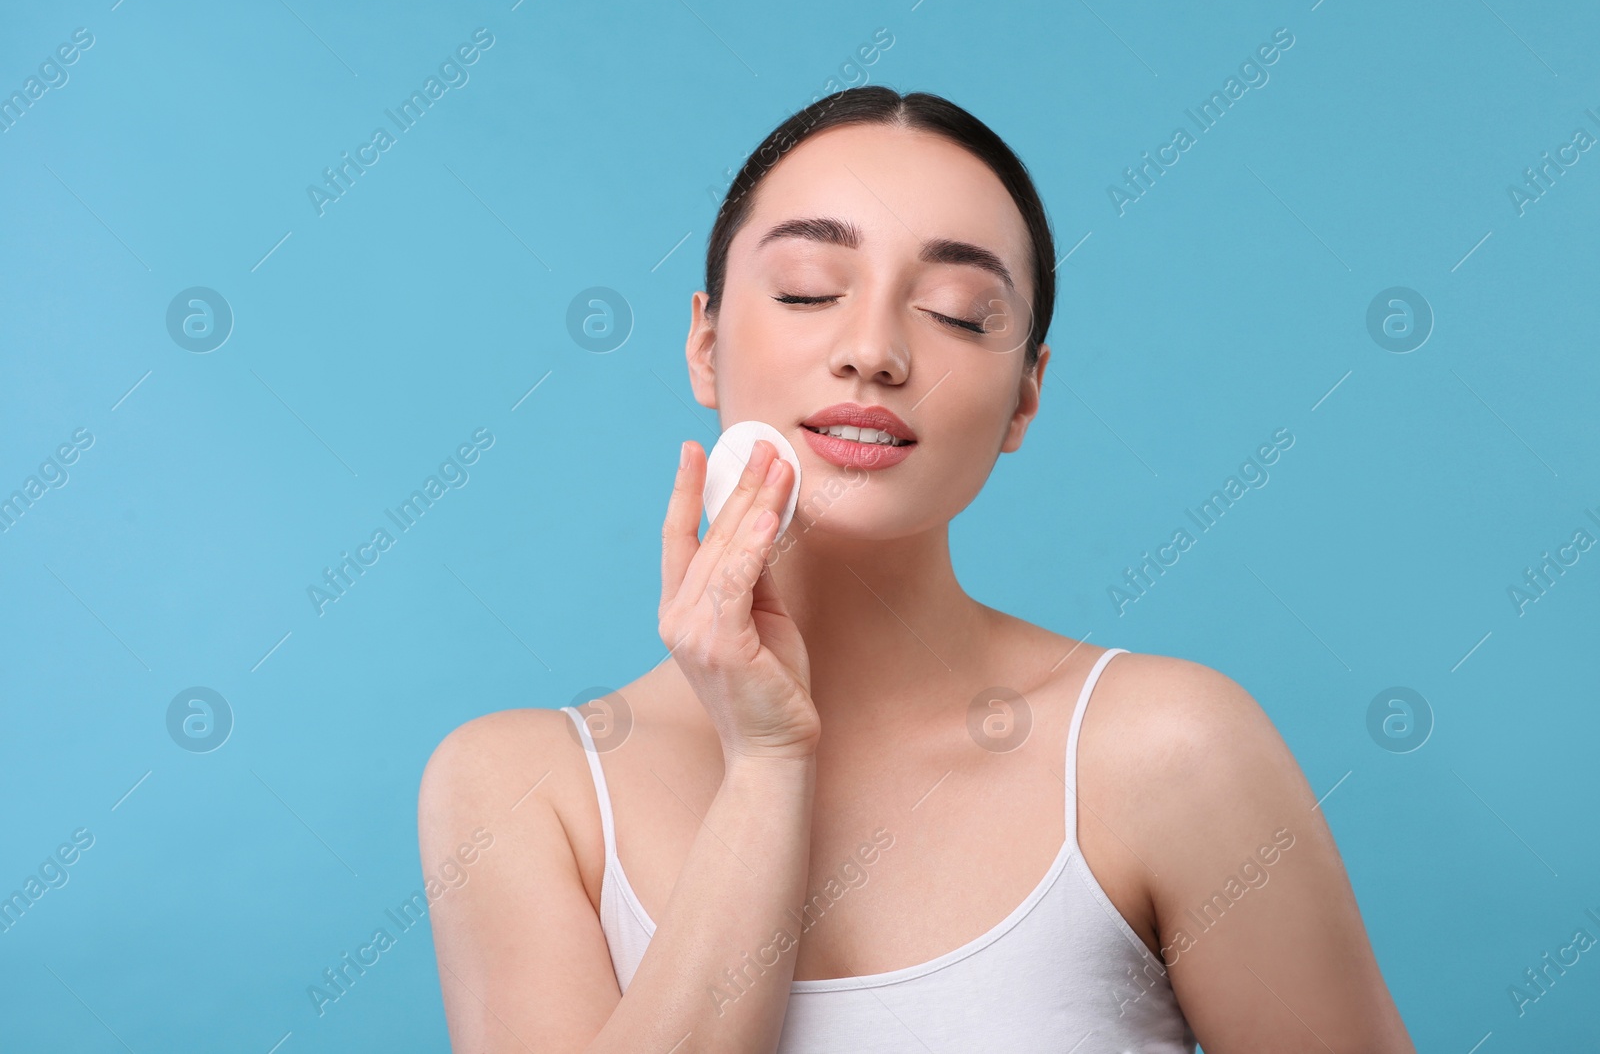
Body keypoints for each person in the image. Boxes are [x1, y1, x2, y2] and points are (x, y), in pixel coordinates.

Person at [417, 86, 1415, 1053]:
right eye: (809, 287)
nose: (874, 351)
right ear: (706, 342)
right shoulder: (519, 789)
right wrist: (768, 765)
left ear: (1026, 395)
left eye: (957, 312)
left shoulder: (1174, 750)